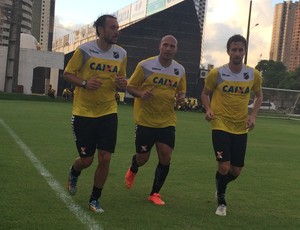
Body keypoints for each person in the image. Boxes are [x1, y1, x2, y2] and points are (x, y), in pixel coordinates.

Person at [63, 14, 127, 213]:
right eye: (112, 27)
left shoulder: (121, 54)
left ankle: (94, 199)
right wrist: (84, 83)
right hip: (83, 113)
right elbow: (67, 73)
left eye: (117, 28)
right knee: (86, 160)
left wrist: (122, 84)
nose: (117, 31)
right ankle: (74, 172)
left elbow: (121, 80)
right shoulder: (84, 50)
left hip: (108, 111)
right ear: (100, 30)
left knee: (105, 158)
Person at [201, 34, 263, 216]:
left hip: (240, 127)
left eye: (240, 50)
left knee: (236, 170)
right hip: (219, 124)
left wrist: (253, 116)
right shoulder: (217, 73)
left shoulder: (253, 74)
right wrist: (208, 109)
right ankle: (221, 201)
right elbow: (205, 93)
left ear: (244, 52)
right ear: (228, 51)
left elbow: (259, 96)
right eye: (234, 49)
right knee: (224, 166)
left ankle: (220, 185)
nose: (237, 53)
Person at [124, 35, 186, 205]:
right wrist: (141, 94)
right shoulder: (145, 65)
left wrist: (181, 98)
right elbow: (129, 87)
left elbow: (181, 91)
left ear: (176, 49)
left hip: (167, 120)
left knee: (165, 156)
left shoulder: (179, 69)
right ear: (159, 46)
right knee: (143, 158)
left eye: (172, 46)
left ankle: (155, 193)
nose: (168, 49)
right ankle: (133, 167)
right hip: (145, 120)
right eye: (165, 45)